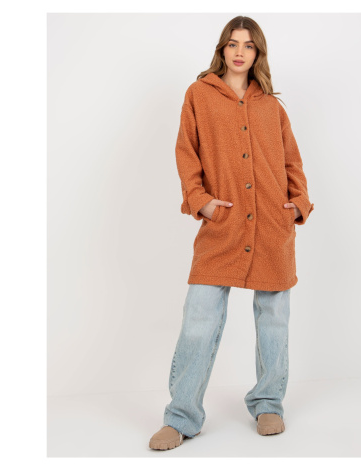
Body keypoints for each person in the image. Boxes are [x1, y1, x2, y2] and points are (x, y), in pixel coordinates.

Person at [149, 16, 314, 451]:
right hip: (222, 226)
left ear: (258, 53)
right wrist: (199, 199)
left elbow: (292, 161)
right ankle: (181, 416)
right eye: (233, 43)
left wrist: (299, 203)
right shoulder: (199, 95)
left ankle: (269, 403)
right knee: (199, 318)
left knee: (274, 318)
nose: (240, 52)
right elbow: (186, 152)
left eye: (249, 45)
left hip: (272, 225)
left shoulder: (272, 107)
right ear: (222, 49)